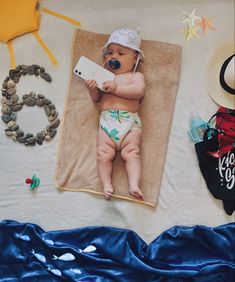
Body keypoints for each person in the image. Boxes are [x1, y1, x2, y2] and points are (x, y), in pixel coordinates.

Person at [85, 27, 145, 200]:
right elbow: (97, 99)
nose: (113, 56)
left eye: (121, 53)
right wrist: (92, 89)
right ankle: (106, 184)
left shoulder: (136, 76)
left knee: (132, 152)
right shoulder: (104, 76)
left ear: (135, 58)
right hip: (107, 122)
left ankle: (134, 184)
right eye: (110, 53)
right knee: (103, 154)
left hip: (129, 123)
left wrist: (117, 88)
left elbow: (139, 91)